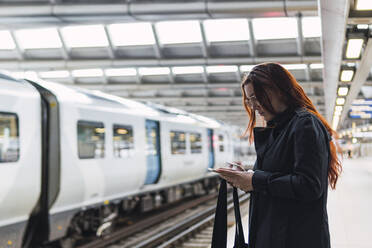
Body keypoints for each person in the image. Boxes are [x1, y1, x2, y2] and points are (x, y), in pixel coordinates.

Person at [215, 62, 342, 248]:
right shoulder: (279, 128)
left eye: (255, 97)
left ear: (279, 90)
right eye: (249, 101)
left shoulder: (304, 124)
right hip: (276, 235)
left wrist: (255, 180)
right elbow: (278, 176)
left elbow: (310, 185)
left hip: (296, 239)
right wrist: (246, 176)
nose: (253, 106)